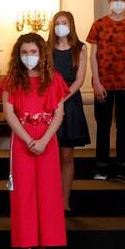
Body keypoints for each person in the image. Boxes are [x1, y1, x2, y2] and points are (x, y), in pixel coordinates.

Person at [0, 34, 66, 249]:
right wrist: (28, 140)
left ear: (42, 54)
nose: (29, 57)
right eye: (25, 53)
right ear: (18, 55)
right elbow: (9, 113)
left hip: (47, 139)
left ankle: (45, 244)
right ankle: (25, 244)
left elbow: (59, 114)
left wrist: (44, 140)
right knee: (23, 192)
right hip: (22, 139)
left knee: (48, 192)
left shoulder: (54, 79)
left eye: (33, 52)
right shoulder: (12, 80)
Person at [87, 0, 125, 181]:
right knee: (103, 126)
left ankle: (122, 165)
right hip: (103, 84)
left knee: (124, 126)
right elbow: (92, 56)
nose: (118, 2)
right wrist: (96, 83)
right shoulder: (99, 25)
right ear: (109, 1)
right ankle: (101, 166)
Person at [49, 11, 90, 212]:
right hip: (48, 103)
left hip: (70, 102)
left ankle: (64, 201)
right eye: (57, 23)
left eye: (64, 22)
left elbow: (80, 79)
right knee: (50, 156)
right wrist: (52, 100)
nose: (61, 26)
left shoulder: (80, 49)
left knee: (67, 156)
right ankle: (50, 199)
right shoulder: (47, 49)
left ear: (71, 25)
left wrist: (62, 98)